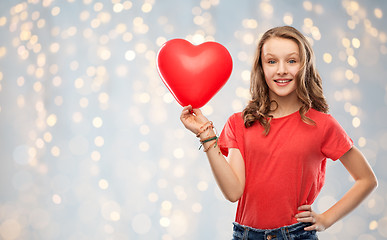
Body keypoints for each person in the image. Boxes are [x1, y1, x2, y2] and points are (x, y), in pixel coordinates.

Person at [180, 26, 377, 239]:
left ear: (305, 66)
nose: (281, 70)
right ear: (261, 67)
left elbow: (366, 179)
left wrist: (326, 219)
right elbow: (233, 191)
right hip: (245, 235)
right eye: (272, 61)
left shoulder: (322, 124)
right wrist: (205, 134)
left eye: (291, 61)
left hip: (296, 235)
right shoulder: (240, 122)